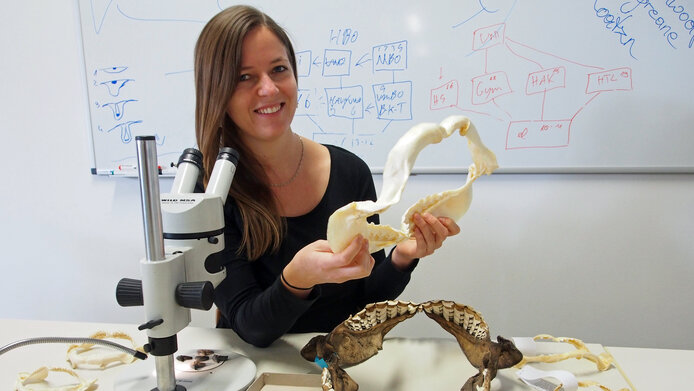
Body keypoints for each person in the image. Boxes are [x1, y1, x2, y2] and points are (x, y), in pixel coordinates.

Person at [193, 5, 460, 347]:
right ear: (216, 88)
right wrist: (296, 280)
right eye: (245, 77)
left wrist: (402, 257)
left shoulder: (350, 172)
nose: (269, 89)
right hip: (253, 370)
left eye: (279, 69)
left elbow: (365, 301)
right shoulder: (208, 188)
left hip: (336, 364)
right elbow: (250, 326)